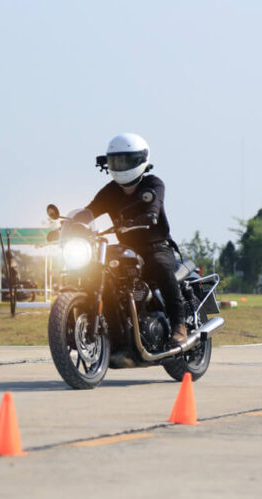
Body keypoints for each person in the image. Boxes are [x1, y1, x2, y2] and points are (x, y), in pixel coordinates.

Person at [83, 133, 187, 346]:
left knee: (161, 267)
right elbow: (89, 211)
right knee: (105, 276)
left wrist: (149, 215)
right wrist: (72, 224)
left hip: (156, 247)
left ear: (140, 160)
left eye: (126, 160)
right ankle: (118, 335)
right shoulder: (111, 191)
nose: (121, 165)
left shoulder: (153, 183)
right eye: (116, 161)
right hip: (127, 250)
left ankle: (179, 324)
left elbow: (154, 205)